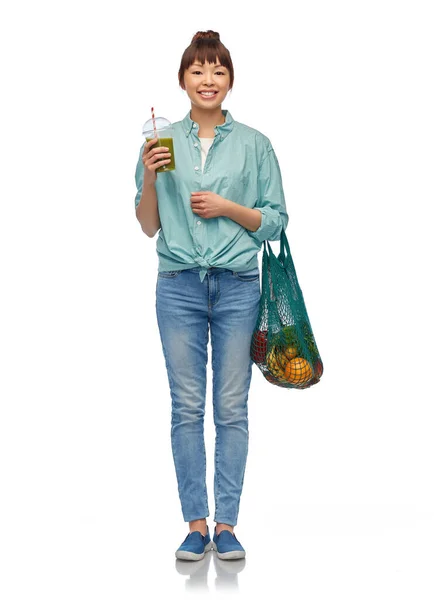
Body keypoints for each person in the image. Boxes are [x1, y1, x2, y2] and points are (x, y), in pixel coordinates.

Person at [134, 30, 288, 561]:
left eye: (218, 71)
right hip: (177, 285)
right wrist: (152, 180)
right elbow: (148, 226)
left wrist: (227, 207)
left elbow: (274, 220)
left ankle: (227, 525)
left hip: (238, 286)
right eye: (198, 70)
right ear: (182, 80)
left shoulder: (255, 144)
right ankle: (195, 524)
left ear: (230, 82)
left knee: (230, 407)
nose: (207, 80)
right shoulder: (160, 142)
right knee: (186, 407)